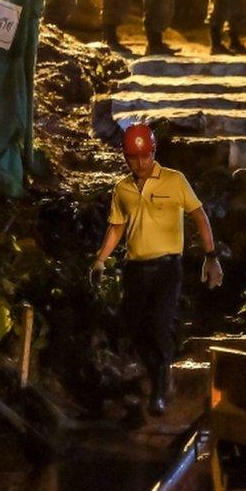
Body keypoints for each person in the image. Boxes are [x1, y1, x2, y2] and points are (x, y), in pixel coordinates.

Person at [91, 123, 224, 416]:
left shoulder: (175, 181)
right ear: (125, 157)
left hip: (167, 269)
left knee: (158, 325)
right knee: (133, 326)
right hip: (135, 269)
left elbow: (199, 215)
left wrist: (210, 255)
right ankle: (158, 374)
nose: (140, 164)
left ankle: (161, 387)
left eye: (145, 156)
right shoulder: (122, 188)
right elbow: (117, 226)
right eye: (133, 158)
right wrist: (101, 259)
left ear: (153, 152)